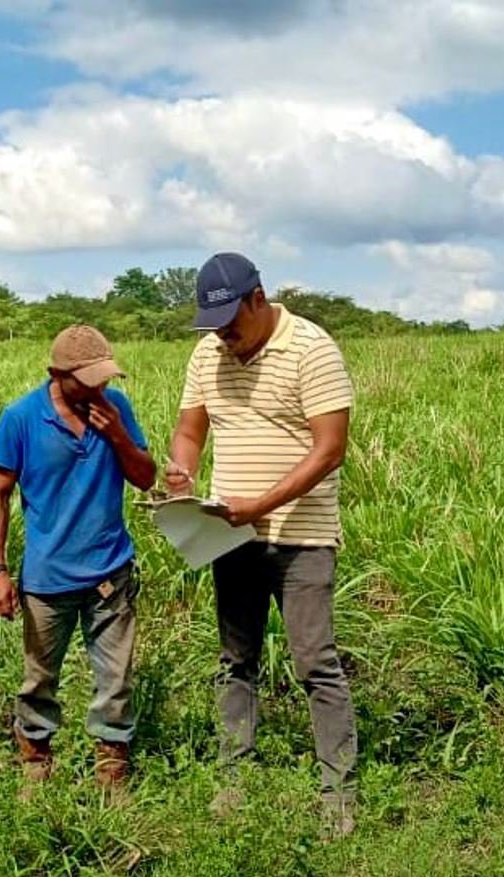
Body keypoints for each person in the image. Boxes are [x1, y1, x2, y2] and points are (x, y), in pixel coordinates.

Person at [166, 253, 357, 834]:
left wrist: (261, 507)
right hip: (230, 533)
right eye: (214, 327)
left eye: (231, 324)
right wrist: (182, 473)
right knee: (235, 660)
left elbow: (329, 450)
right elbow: (190, 431)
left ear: (258, 298)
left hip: (302, 536)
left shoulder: (311, 348)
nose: (225, 338)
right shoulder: (207, 352)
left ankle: (338, 798)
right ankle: (233, 785)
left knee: (315, 663)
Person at [0, 324, 156, 789]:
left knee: (116, 680)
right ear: (57, 375)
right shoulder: (20, 418)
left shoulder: (115, 409)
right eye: (89, 380)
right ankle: (35, 764)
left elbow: (145, 478)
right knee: (39, 680)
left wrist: (119, 435)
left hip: (110, 573)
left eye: (105, 378)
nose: (100, 388)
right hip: (47, 578)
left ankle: (111, 772)